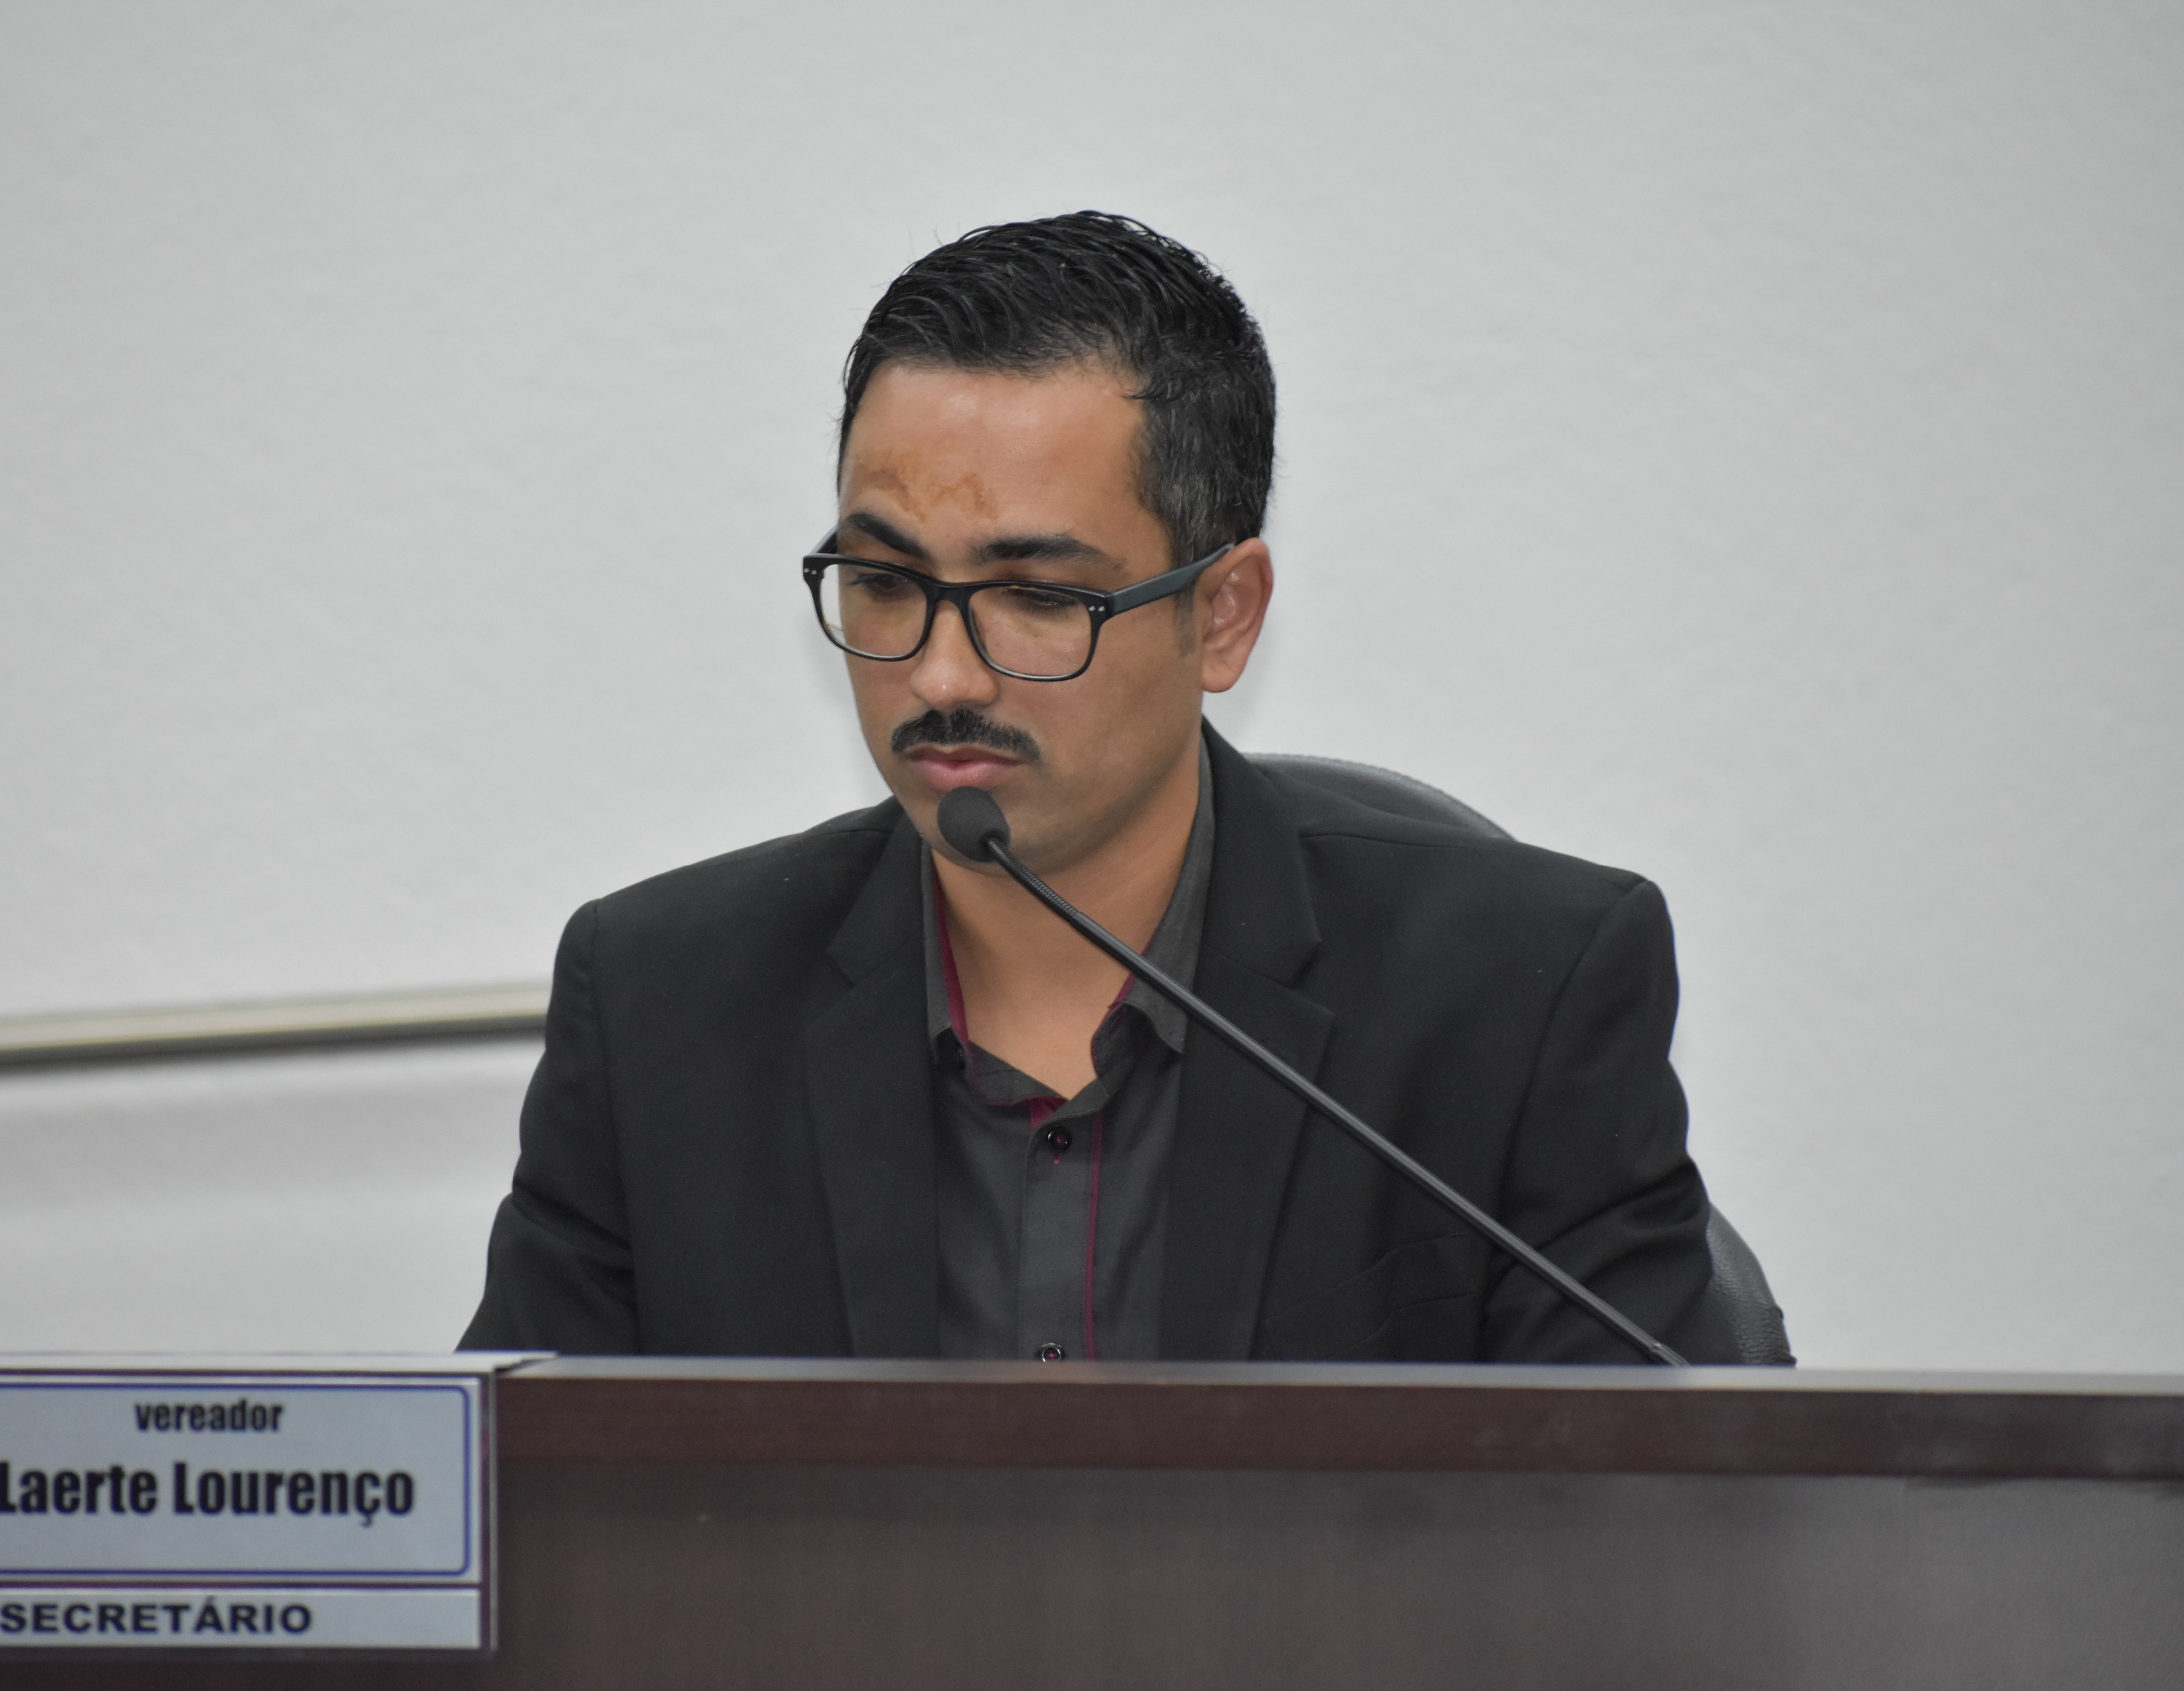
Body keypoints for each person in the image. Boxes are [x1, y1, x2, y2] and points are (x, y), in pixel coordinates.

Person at [461, 211, 1735, 1363]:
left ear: (1223, 615)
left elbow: (1650, 1510)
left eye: (1037, 596)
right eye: (886, 584)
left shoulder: (1515, 997)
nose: (941, 675)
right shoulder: (662, 1010)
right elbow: (507, 1506)